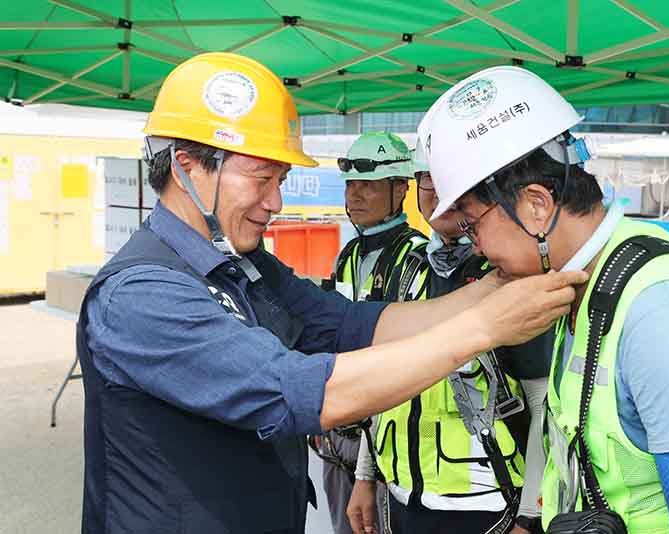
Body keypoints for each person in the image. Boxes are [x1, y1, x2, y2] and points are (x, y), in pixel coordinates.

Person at [76, 53, 587, 534]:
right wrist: (484, 327)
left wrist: (497, 285)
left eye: (281, 179)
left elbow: (356, 326)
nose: (276, 202)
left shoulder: (243, 264)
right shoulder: (142, 295)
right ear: (188, 167)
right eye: (262, 179)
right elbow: (300, 390)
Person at [423, 66, 669, 534]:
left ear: (536, 205)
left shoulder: (658, 310)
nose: (478, 248)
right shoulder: (580, 286)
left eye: (473, 226)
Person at [346, 134, 550, 534]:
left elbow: (544, 405)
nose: (438, 191)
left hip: (491, 508)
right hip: (404, 500)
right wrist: (365, 476)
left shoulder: (511, 275)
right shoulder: (405, 269)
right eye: (428, 178)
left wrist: (529, 515)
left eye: (451, 178)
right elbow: (383, 386)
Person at [319, 131, 427, 534]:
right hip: (338, 435)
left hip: (385, 442)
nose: (356, 195)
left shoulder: (417, 258)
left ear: (401, 190)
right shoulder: (348, 255)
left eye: (369, 185)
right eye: (351, 185)